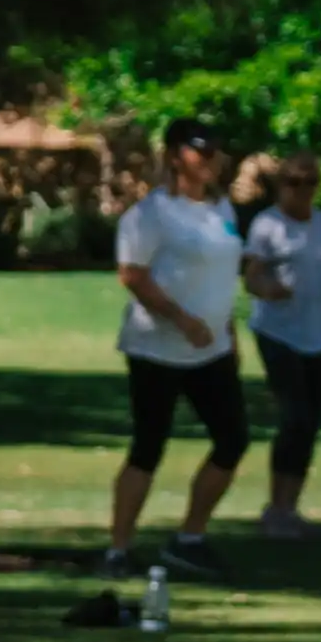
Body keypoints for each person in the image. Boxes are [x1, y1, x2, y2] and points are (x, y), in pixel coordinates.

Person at [100, 125, 250, 590]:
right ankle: (118, 548)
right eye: (199, 150)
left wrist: (229, 334)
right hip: (156, 349)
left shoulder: (222, 209)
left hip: (212, 350)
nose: (209, 159)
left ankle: (189, 537)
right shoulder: (152, 213)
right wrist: (179, 318)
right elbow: (132, 274)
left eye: (215, 151)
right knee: (149, 446)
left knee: (233, 439)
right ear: (174, 156)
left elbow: (223, 280)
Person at [235, 150, 321, 532]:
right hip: (278, 333)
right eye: (293, 183)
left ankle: (289, 507)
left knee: (310, 422)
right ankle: (275, 507)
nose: (301, 191)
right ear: (280, 185)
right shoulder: (268, 225)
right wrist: (268, 288)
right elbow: (251, 276)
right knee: (295, 416)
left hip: (317, 335)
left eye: (310, 183)